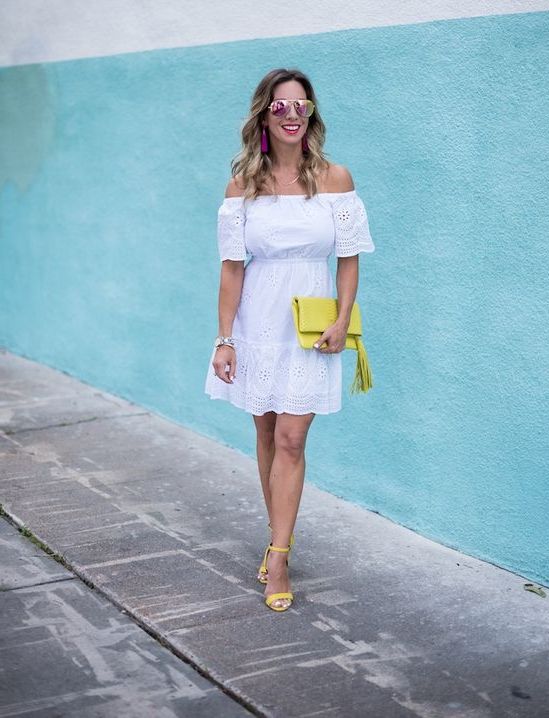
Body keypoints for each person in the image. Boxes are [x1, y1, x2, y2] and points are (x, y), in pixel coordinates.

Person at [204, 68, 375, 612]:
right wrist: (223, 340)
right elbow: (232, 271)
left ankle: (279, 554)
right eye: (281, 106)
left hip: (310, 323)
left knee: (292, 439)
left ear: (312, 114)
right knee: (266, 429)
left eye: (301, 105)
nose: (292, 114)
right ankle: (278, 532)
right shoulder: (242, 188)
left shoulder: (335, 179)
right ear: (264, 115)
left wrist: (342, 320)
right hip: (257, 320)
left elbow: (347, 263)